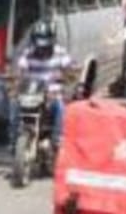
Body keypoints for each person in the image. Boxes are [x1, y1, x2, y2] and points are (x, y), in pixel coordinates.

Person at [9, 20, 76, 148]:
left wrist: (64, 76)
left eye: (45, 46)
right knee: (13, 104)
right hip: (31, 93)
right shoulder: (28, 53)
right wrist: (16, 79)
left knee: (61, 107)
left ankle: (57, 140)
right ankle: (13, 140)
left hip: (52, 94)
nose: (42, 49)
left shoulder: (60, 53)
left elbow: (72, 71)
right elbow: (19, 69)